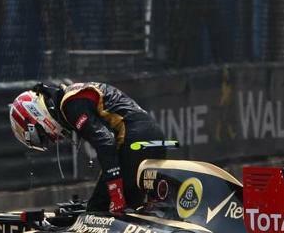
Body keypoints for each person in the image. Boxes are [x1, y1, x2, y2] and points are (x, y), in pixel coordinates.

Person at [9, 82, 167, 215]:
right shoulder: (72, 95)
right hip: (152, 136)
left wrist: (115, 194)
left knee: (97, 211)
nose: (49, 139)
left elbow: (106, 142)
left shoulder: (69, 104)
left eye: (40, 136)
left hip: (135, 139)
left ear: (34, 114)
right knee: (134, 211)